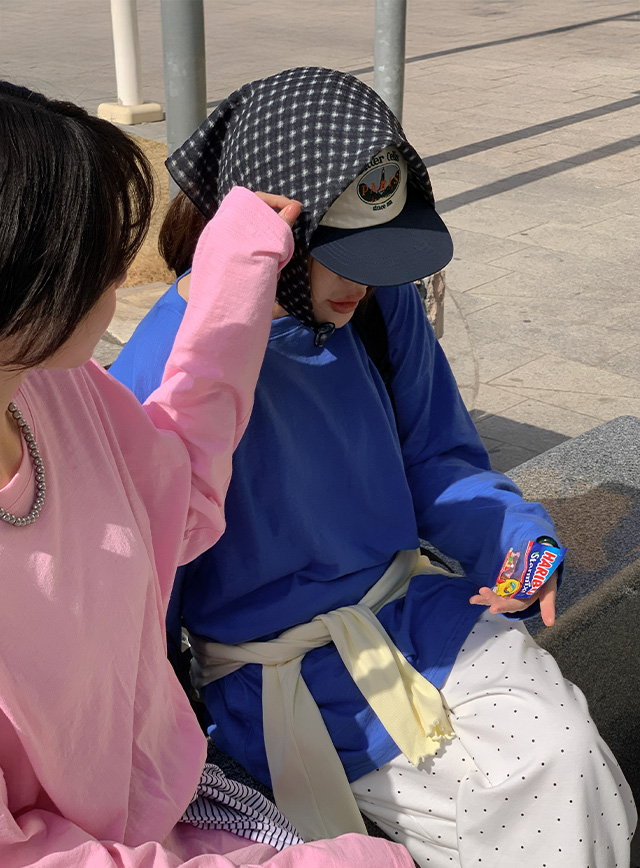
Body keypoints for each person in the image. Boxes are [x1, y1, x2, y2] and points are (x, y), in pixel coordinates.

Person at [110, 67, 637, 867]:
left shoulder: (380, 310)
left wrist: (516, 540)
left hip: (419, 611)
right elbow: (144, 593)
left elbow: (438, 456)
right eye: (342, 255)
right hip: (280, 677)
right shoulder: (163, 372)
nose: (363, 280)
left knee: (567, 755)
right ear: (272, 233)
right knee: (524, 798)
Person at [0, 81, 417, 868]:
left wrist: (237, 276)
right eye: (92, 250)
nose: (122, 273)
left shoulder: (55, 386)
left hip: (173, 800)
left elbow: (179, 492)